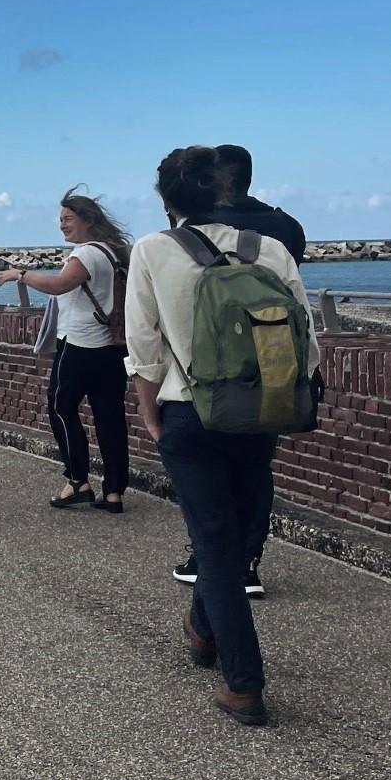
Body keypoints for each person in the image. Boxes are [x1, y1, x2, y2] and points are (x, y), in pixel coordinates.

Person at [125, 145, 320, 727]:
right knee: (231, 536)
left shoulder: (154, 251)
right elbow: (306, 341)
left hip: (190, 411)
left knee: (213, 544)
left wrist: (149, 412)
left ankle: (244, 683)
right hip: (259, 412)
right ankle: (203, 626)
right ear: (225, 192)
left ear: (166, 198)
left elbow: (143, 344)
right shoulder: (273, 250)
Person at [170, 143, 309, 596]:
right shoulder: (285, 229)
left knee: (207, 471)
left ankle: (207, 558)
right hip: (271, 366)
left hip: (206, 371)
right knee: (255, 469)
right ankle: (248, 561)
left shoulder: (194, 229)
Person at [0, 189, 132, 513]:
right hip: (112, 346)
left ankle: (77, 480)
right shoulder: (115, 252)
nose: (62, 225)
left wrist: (21, 274)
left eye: (68, 219)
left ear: (88, 220)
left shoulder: (85, 254)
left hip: (80, 343)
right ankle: (113, 492)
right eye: (60, 220)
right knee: (110, 418)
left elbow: (59, 285)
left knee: (60, 407)